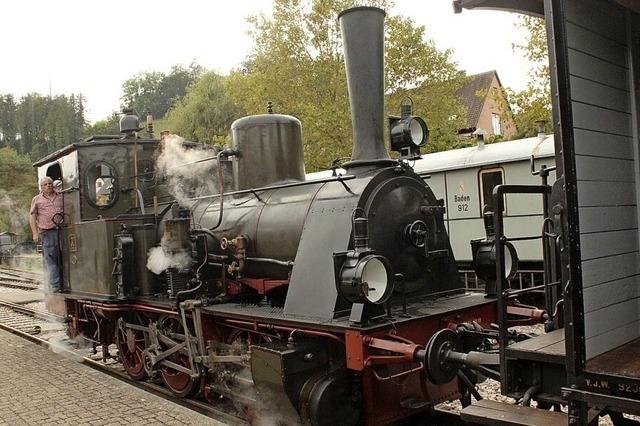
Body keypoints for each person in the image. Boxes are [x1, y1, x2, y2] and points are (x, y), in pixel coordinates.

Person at [29, 176, 63, 291]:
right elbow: (32, 216)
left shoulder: (61, 196)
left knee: (63, 257)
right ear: (41, 187)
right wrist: (35, 233)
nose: (48, 185)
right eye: (45, 184)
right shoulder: (36, 199)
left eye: (50, 183)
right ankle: (55, 284)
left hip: (63, 230)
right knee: (50, 258)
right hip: (47, 232)